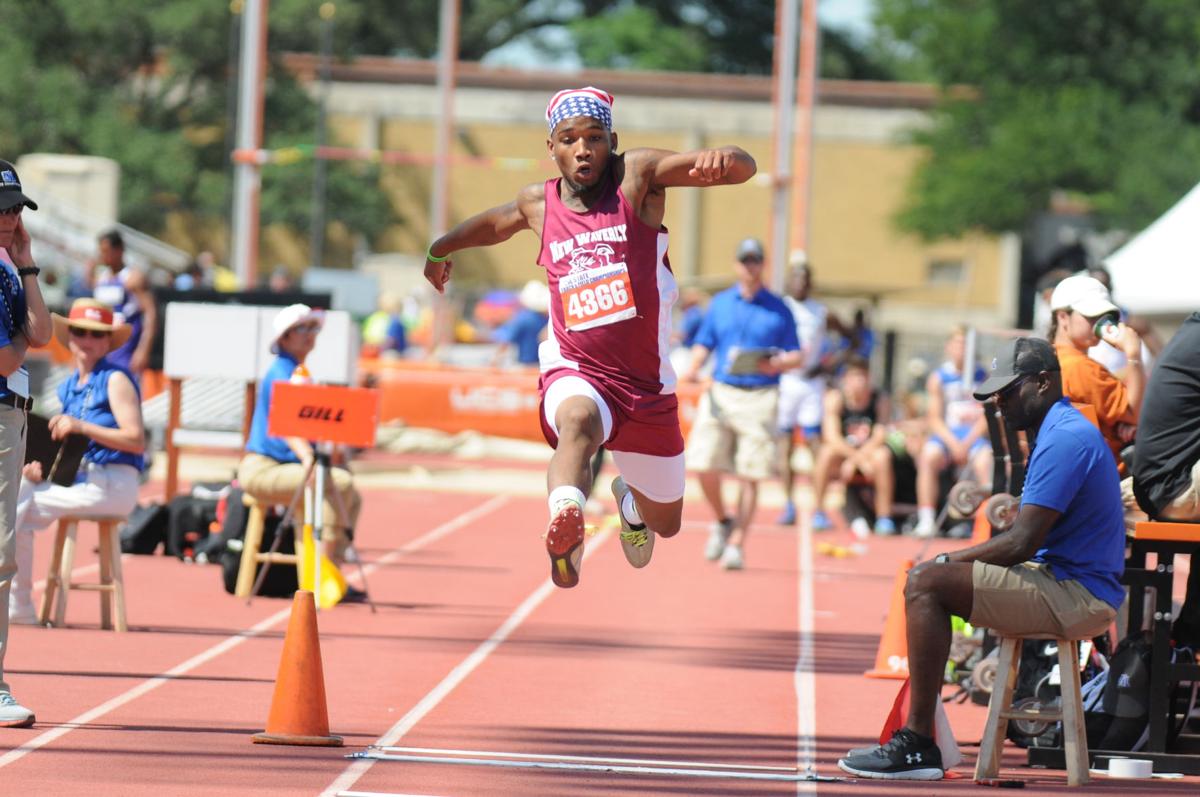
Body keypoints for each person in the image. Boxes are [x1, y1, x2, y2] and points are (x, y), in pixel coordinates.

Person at [423, 86, 757, 588]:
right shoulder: (539, 204)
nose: (583, 149)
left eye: (595, 138)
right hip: (577, 368)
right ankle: (566, 518)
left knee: (668, 522)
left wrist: (724, 159)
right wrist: (440, 248)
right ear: (552, 148)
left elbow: (742, 167)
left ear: (612, 141)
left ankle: (630, 502)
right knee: (576, 420)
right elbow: (494, 225)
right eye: (570, 139)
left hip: (646, 387)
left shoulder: (636, 176)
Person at [839, 337, 1124, 780]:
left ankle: (918, 744)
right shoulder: (1059, 429)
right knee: (931, 579)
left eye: (1009, 391)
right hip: (1069, 583)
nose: (998, 401)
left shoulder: (1064, 438)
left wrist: (950, 560)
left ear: (1044, 384)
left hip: (1077, 594)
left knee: (926, 583)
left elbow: (1020, 544)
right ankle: (918, 738)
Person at [10, 299, 145, 623]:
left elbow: (136, 440)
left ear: (108, 341)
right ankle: (19, 606)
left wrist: (83, 426)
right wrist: (42, 468)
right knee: (20, 499)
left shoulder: (115, 380)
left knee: (17, 505)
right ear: (70, 336)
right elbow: (68, 449)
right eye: (81, 332)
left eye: (97, 335)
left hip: (114, 481)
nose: (88, 341)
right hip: (81, 479)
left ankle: (18, 608)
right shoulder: (70, 385)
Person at [681, 238, 801, 569]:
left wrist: (775, 364)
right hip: (722, 390)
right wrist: (692, 369)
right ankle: (722, 520)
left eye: (756, 260)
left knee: (752, 472)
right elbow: (704, 343)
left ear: (762, 265)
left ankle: (736, 544)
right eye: (745, 260)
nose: (750, 266)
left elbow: (797, 354)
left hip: (761, 394)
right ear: (736, 264)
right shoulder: (719, 304)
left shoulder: (779, 308)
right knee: (704, 463)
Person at [237, 304, 365, 600]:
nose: (310, 335)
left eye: (314, 328)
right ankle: (322, 577)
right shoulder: (283, 373)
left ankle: (330, 571)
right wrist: (309, 457)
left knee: (350, 493)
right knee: (336, 484)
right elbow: (287, 426)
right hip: (263, 468)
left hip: (284, 466)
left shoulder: (298, 371)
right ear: (283, 338)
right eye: (302, 329)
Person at [0, 158, 53, 727]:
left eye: (15, 208)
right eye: (2, 208)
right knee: (0, 554)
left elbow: (43, 334)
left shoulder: (10, 265)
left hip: (10, 416)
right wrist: (19, 340)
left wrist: (29, 265)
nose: (11, 218)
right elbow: (12, 352)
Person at [1125, 314, 1200, 644]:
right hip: (1172, 488)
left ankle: (1192, 630)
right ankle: (1192, 631)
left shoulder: (1191, 333)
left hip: (1160, 483)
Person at [1048, 274, 1144, 465]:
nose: (1100, 323)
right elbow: (1136, 414)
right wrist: (1133, 354)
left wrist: (1124, 422)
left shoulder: (1051, 357)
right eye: (1091, 316)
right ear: (1063, 317)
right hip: (1110, 481)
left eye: (1104, 316)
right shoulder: (1079, 367)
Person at [913, 326, 991, 537]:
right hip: (947, 435)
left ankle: (985, 520)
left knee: (985, 462)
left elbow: (988, 414)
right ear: (949, 347)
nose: (961, 349)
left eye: (965, 344)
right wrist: (954, 444)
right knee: (928, 456)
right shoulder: (939, 377)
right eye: (957, 343)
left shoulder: (983, 375)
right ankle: (926, 518)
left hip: (974, 436)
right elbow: (934, 418)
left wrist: (967, 443)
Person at [810, 355, 896, 537]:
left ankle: (884, 517)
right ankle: (819, 511)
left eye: (864, 377)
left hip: (869, 452)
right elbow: (831, 437)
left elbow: (880, 435)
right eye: (855, 376)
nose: (860, 382)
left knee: (883, 456)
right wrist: (854, 459)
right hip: (843, 452)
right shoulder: (835, 399)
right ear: (846, 379)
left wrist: (860, 459)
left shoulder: (880, 399)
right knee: (825, 453)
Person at [775, 255, 830, 525]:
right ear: (788, 281)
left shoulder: (820, 311)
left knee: (815, 445)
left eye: (804, 278)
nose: (800, 283)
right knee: (783, 445)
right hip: (787, 381)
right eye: (795, 277)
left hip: (811, 382)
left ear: (811, 283)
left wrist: (831, 364)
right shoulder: (780, 307)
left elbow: (852, 336)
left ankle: (819, 507)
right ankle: (789, 504)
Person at [91, 230, 158, 382]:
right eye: (101, 251)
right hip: (102, 348)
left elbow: (151, 313)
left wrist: (143, 350)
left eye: (107, 251)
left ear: (119, 250)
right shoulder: (101, 277)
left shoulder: (133, 278)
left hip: (126, 350)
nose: (103, 256)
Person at [491, 280, 548, 367]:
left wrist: (495, 361)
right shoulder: (548, 318)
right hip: (544, 364)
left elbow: (505, 342)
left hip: (526, 365)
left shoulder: (522, 318)